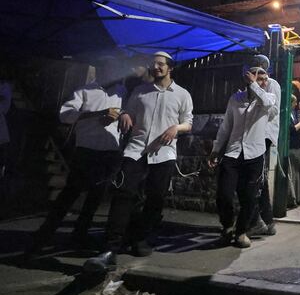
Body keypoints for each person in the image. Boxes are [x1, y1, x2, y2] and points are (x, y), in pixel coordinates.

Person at [84, 51, 193, 273]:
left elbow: (188, 122)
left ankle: (140, 237)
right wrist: (124, 114)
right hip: (135, 150)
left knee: (155, 198)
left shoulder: (182, 94)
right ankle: (109, 249)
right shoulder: (140, 91)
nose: (156, 68)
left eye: (161, 64)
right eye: (153, 64)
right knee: (123, 193)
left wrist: (176, 128)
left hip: (163, 153)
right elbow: (128, 111)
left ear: (170, 67)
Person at [27, 56, 125, 254]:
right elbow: (65, 115)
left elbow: (127, 113)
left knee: (95, 197)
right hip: (86, 150)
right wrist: (98, 114)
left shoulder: (121, 91)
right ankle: (45, 233)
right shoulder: (84, 90)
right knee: (70, 193)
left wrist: (121, 117)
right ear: (100, 71)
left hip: (109, 151)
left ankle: (80, 234)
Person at [208, 66, 278, 248]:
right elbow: (226, 127)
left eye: (264, 79)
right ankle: (227, 227)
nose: (261, 81)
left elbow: (269, 105)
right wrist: (216, 149)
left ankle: (241, 232)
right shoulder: (235, 99)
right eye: (257, 77)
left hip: (254, 154)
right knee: (224, 194)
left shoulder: (268, 99)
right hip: (232, 152)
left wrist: (255, 85)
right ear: (246, 78)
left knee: (249, 197)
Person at [248, 55, 281, 237]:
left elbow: (272, 110)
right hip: (253, 135)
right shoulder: (250, 85)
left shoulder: (272, 84)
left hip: (264, 135)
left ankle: (262, 220)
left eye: (259, 66)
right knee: (258, 178)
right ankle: (266, 220)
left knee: (257, 178)